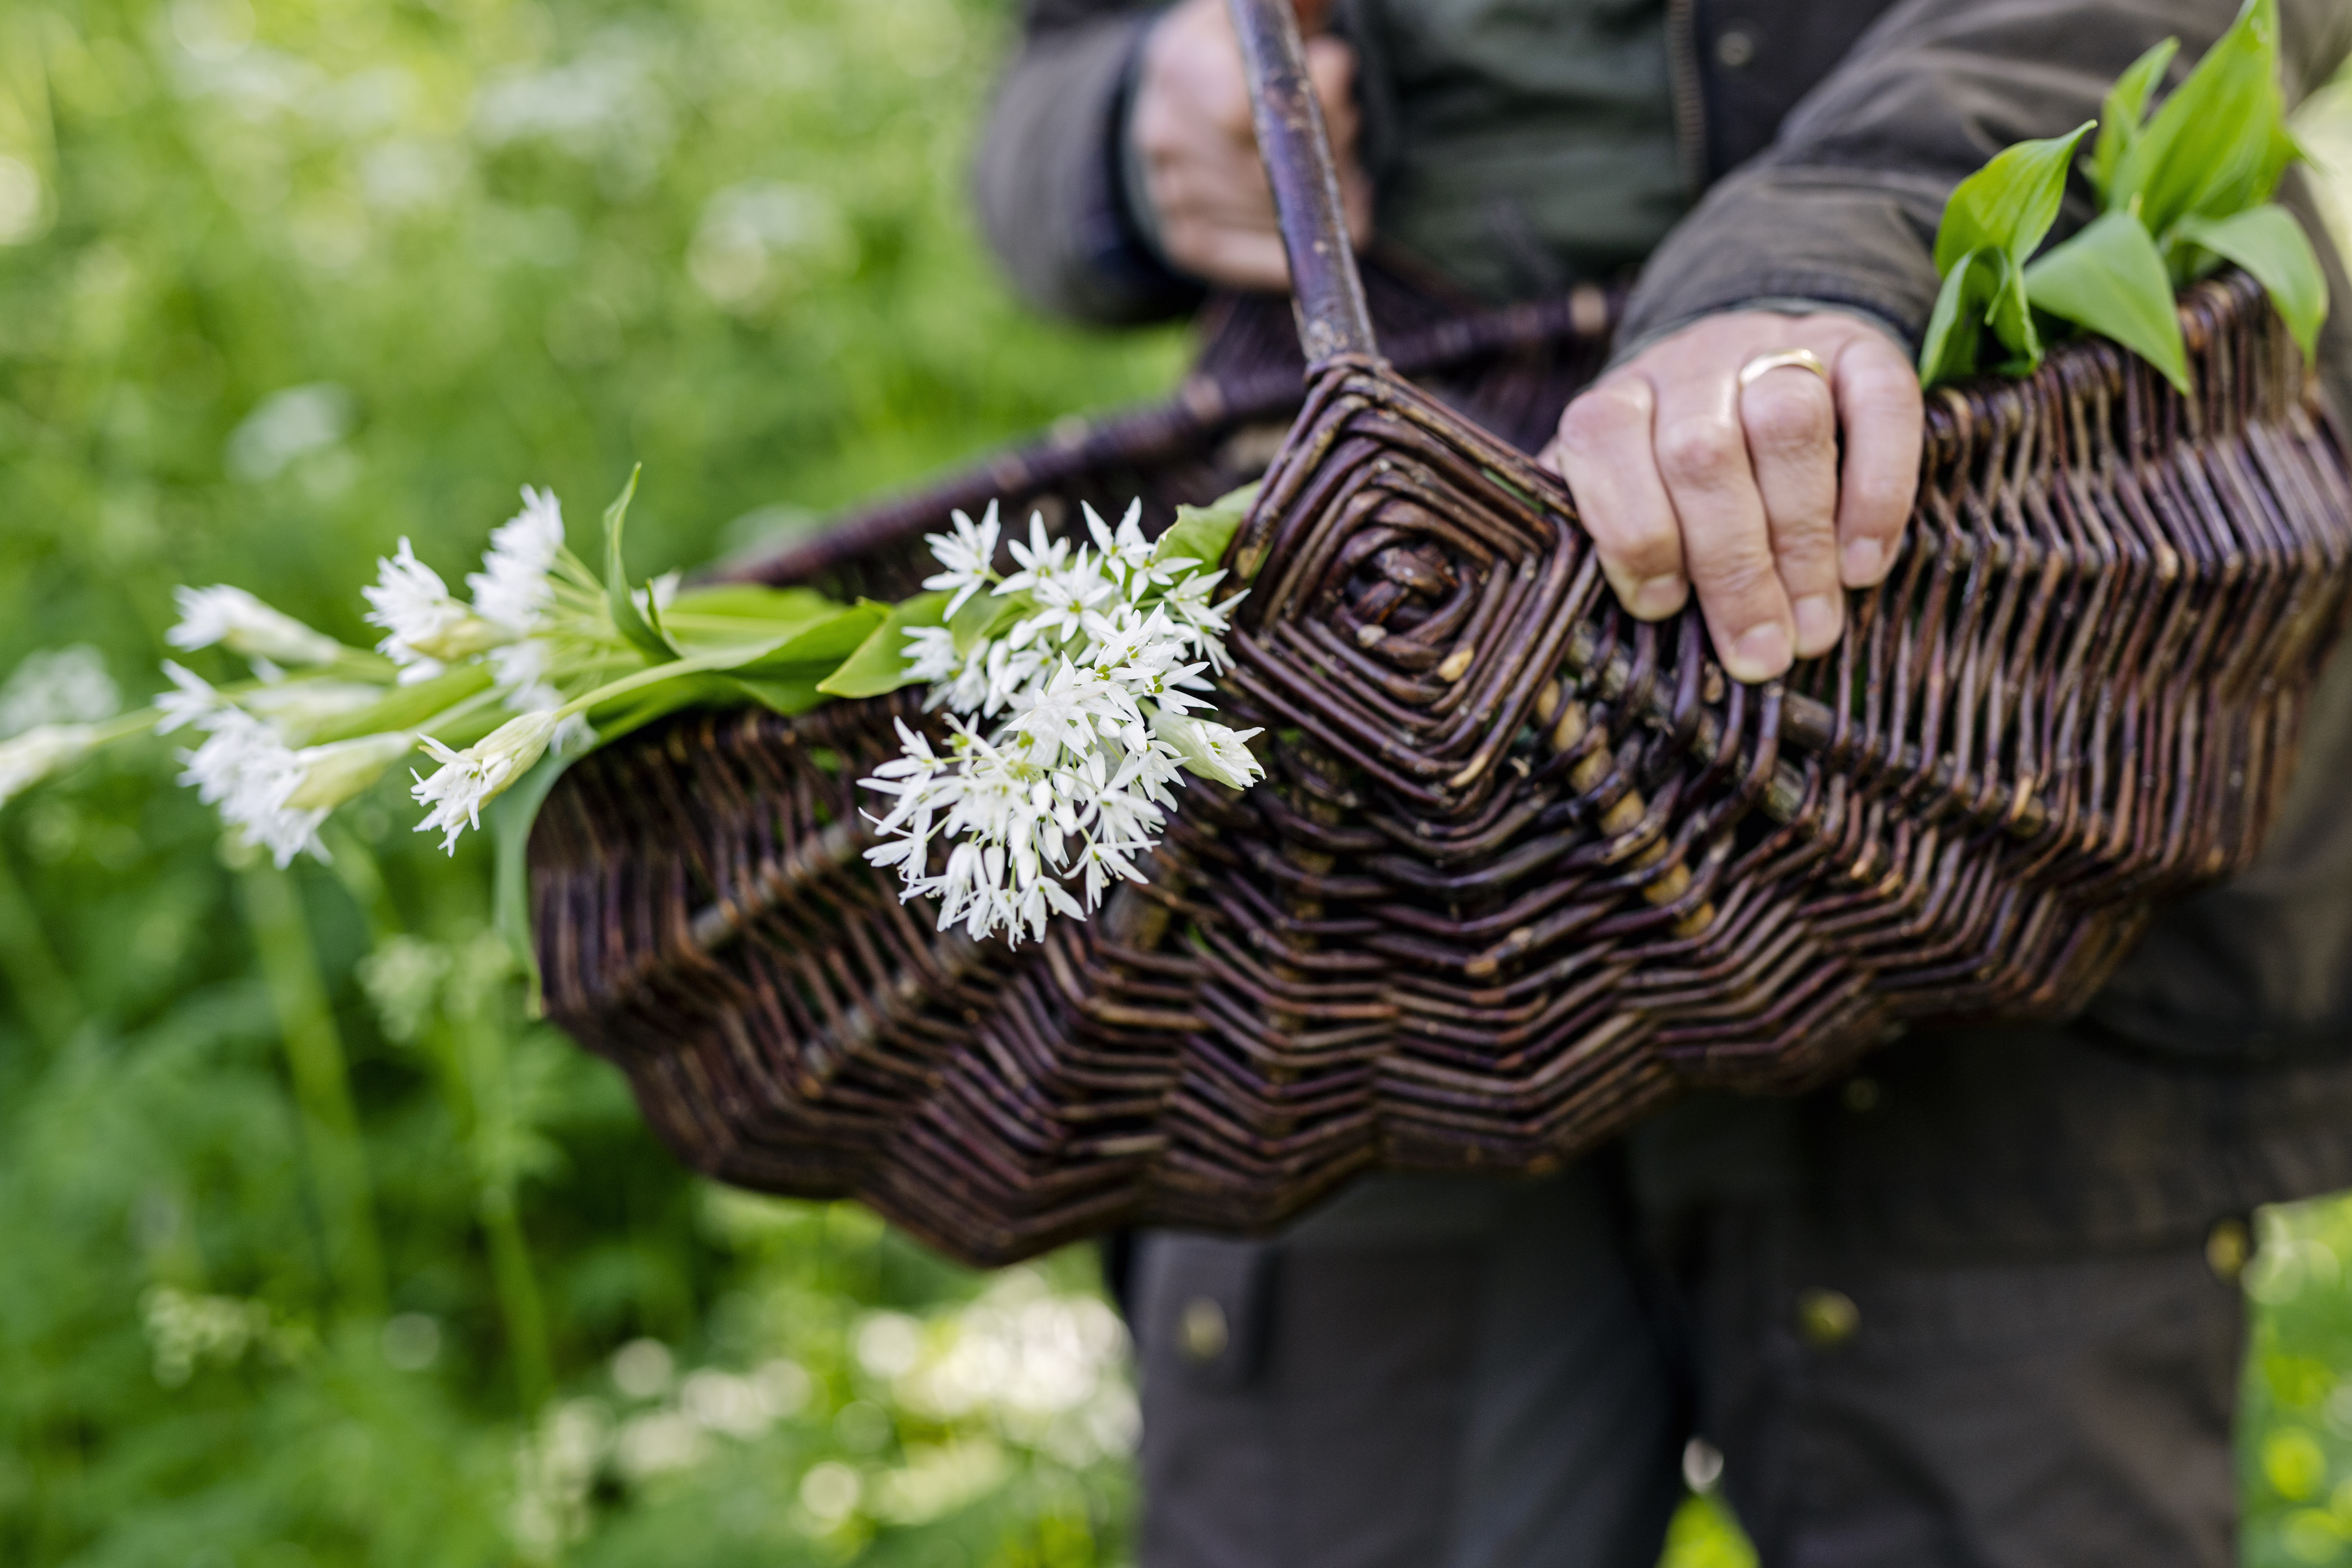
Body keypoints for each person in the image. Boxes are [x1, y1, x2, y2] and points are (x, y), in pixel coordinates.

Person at [977, 2, 2352, 1564]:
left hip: (1979, 762)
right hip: (1366, 861)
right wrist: (1120, 133)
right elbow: (1041, 90)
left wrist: (1829, 255)